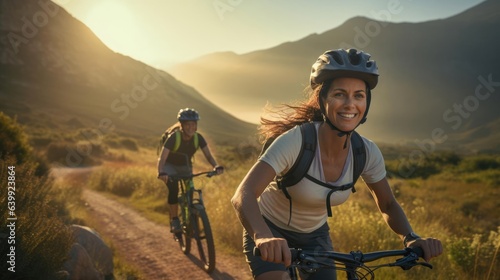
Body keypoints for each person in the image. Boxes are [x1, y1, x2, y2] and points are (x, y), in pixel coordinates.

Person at [231, 49, 443, 279]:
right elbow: (244, 194)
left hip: (315, 237)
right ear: (323, 100)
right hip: (270, 227)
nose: (350, 104)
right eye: (340, 94)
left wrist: (410, 236)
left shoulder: (366, 152)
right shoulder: (296, 141)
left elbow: (388, 204)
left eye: (359, 95)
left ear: (366, 103)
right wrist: (262, 236)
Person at [157, 108, 224, 233]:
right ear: (182, 126)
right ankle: (175, 220)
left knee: (190, 190)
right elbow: (162, 157)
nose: (190, 127)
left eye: (193, 124)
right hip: (169, 166)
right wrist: (161, 171)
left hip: (185, 166)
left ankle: (190, 219)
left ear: (196, 126)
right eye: (187, 124)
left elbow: (208, 156)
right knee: (173, 189)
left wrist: (216, 166)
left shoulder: (198, 138)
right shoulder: (173, 138)